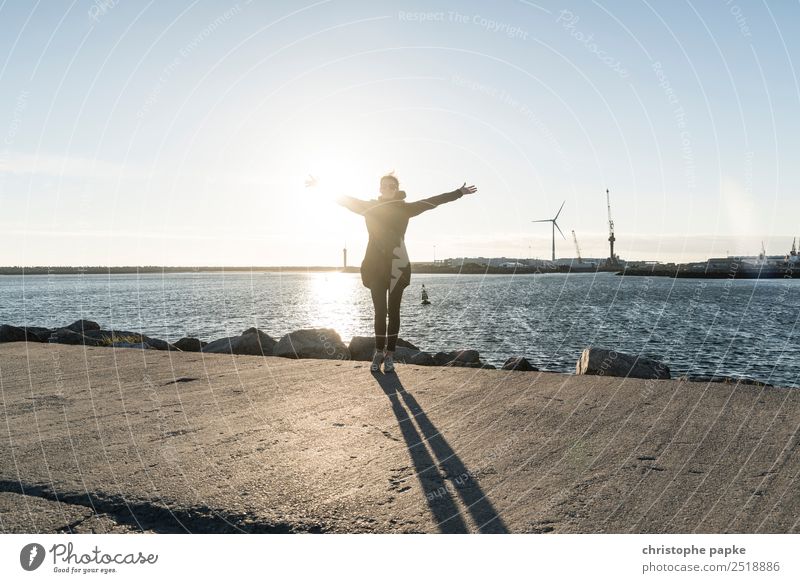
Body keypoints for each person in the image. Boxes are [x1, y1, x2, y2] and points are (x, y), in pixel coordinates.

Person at [336, 174, 477, 373]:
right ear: (379, 188)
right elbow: (345, 201)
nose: (387, 188)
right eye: (384, 186)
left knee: (393, 312)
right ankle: (378, 352)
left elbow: (432, 202)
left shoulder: (405, 208)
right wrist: (319, 187)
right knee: (379, 311)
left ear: (396, 188)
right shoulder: (369, 207)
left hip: (397, 267)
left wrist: (458, 193)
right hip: (375, 267)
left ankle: (390, 355)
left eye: (391, 186)